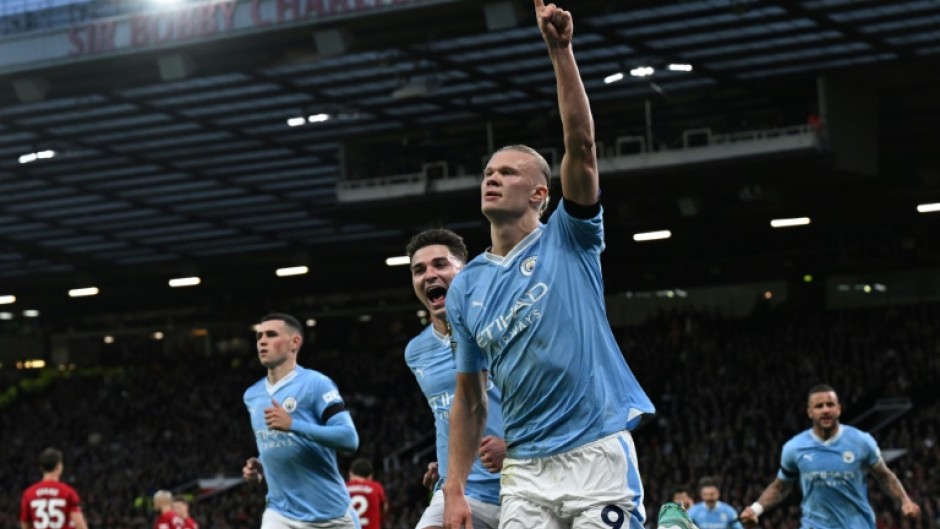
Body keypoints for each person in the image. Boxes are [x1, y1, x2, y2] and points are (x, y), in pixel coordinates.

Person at [441, 1, 683, 528]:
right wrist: (453, 486)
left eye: (508, 172)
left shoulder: (570, 237)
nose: (492, 178)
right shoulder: (465, 288)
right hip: (525, 468)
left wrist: (561, 52)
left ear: (539, 193)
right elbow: (470, 400)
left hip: (595, 452)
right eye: (488, 172)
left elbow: (583, 145)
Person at [405, 228, 506, 529]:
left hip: (523, 480)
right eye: (419, 270)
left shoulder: (500, 326)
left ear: (464, 271)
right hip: (460, 490)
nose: (429, 275)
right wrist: (449, 462)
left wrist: (514, 447)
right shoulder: (415, 352)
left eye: (440, 264)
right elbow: (446, 412)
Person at [740, 384, 921, 529]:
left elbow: (884, 476)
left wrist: (905, 500)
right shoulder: (794, 447)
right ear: (810, 412)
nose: (825, 410)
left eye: (830, 404)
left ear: (839, 409)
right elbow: (780, 487)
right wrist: (756, 509)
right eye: (819, 406)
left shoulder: (861, 441)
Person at [242, 313, 361, 529]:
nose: (262, 341)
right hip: (280, 513)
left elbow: (349, 438)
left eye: (271, 335)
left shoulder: (316, 383)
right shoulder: (252, 395)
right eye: (259, 336)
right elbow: (274, 442)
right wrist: (261, 464)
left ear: (294, 343)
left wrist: (293, 425)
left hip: (331, 515)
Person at [20, 448, 89, 529]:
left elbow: (25, 525)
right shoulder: (68, 492)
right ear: (59, 466)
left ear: (41, 468)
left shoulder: (29, 493)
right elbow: (80, 526)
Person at [346, 458, 389, 528]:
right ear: (370, 476)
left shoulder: (343, 488)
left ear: (350, 473)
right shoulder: (376, 487)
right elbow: (384, 508)